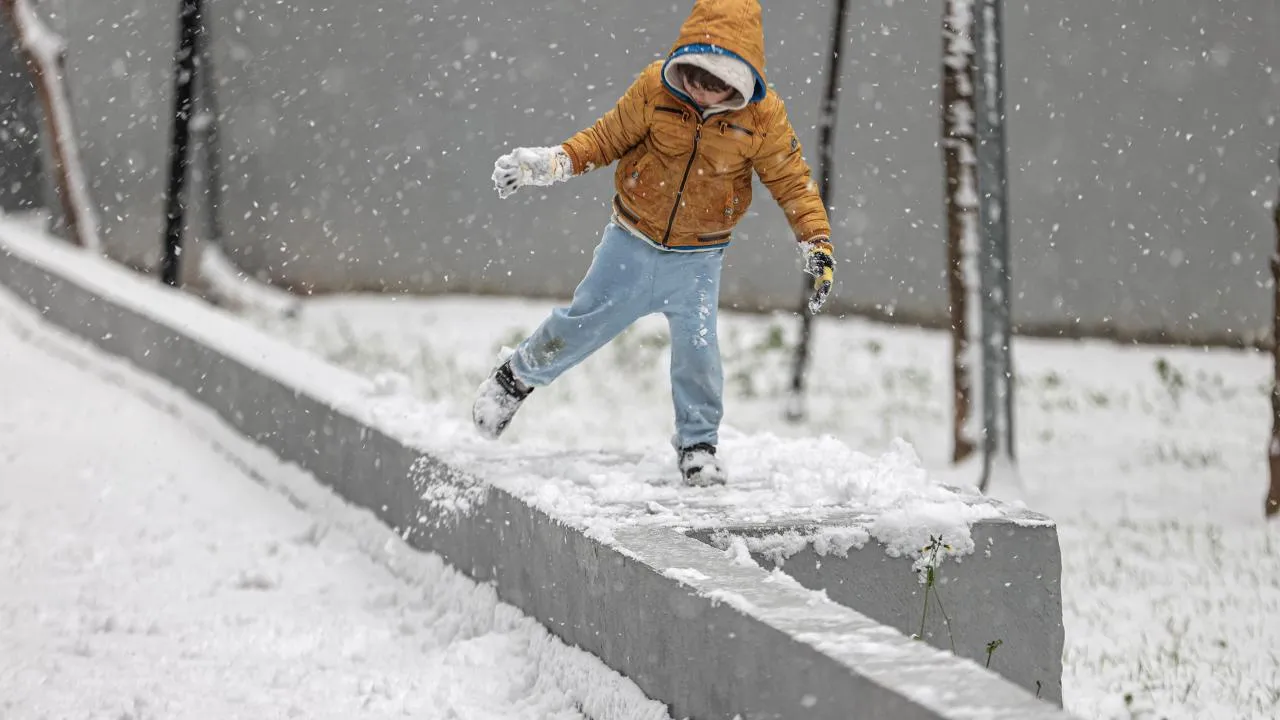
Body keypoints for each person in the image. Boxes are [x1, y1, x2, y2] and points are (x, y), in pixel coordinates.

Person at [473, 0, 836, 486]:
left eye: (717, 84)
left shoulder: (762, 118)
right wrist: (551, 163)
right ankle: (513, 379)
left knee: (699, 353)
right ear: (680, 61)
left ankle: (699, 445)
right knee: (580, 325)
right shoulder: (654, 89)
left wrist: (816, 241)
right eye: (693, 77)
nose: (701, 93)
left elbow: (792, 181)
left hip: (699, 260)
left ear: (743, 80)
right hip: (631, 242)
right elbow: (604, 139)